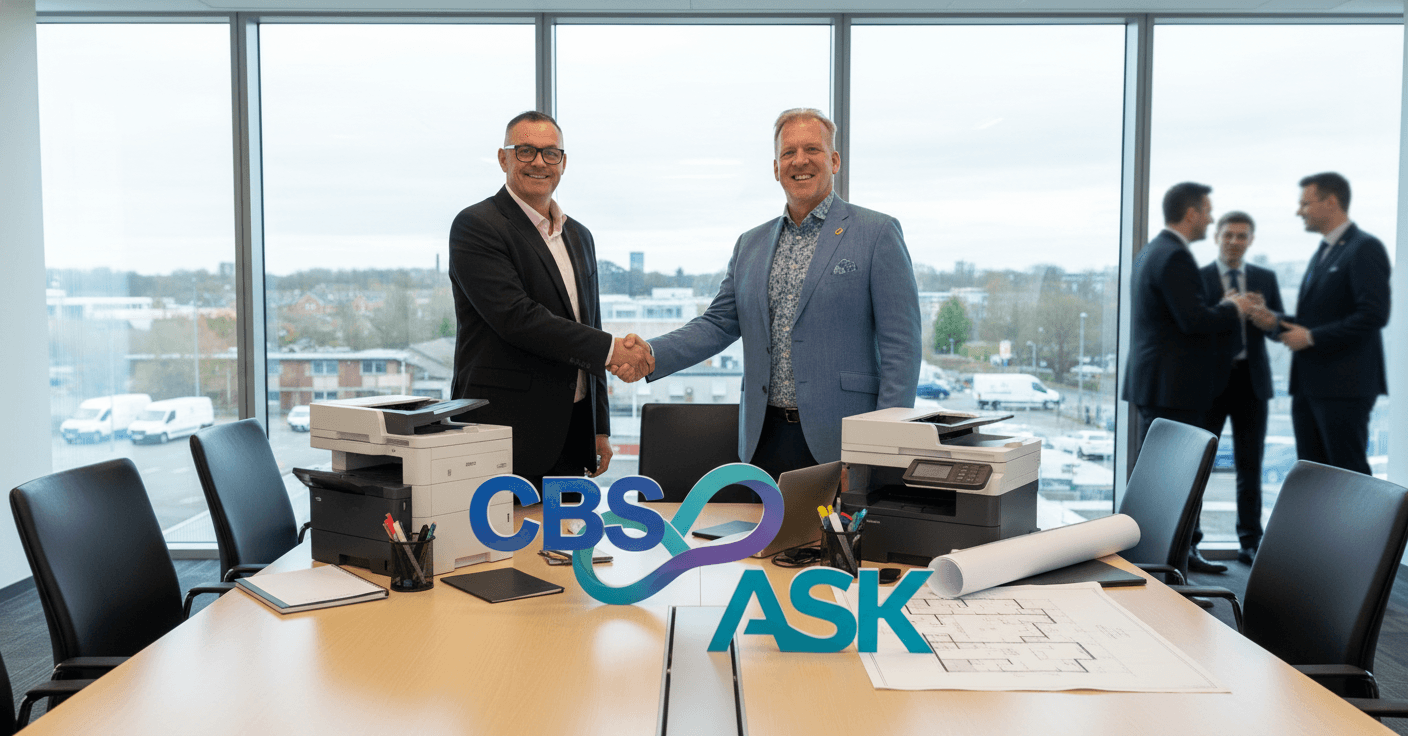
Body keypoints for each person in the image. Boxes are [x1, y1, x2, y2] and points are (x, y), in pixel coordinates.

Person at [615, 108, 921, 480]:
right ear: (776, 168)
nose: (800, 161)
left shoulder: (877, 233)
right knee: (768, 540)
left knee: (843, 539)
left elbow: (902, 351)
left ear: (835, 160)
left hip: (843, 441)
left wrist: (878, 450)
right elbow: (717, 324)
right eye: (788, 153)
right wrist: (650, 353)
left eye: (812, 149)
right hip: (764, 439)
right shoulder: (751, 244)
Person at [447, 110, 653, 490]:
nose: (539, 162)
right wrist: (613, 351)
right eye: (525, 151)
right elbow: (517, 318)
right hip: (503, 434)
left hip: (572, 433)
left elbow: (590, 327)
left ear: (563, 162)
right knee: (500, 548)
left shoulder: (579, 236)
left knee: (567, 546)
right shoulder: (476, 226)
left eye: (550, 153)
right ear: (503, 158)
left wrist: (599, 426)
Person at [1122, 182, 1254, 574]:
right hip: (1174, 387)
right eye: (1209, 211)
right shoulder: (1175, 257)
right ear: (1192, 212)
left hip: (1158, 383)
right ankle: (1167, 572)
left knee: (1161, 482)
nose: (1212, 218)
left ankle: (1165, 565)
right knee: (1174, 484)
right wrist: (1233, 307)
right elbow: (1193, 320)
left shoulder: (1152, 252)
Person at [1280, 172, 1390, 475]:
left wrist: (1312, 337)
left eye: (1305, 203)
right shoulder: (1324, 251)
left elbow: (1373, 315)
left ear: (1330, 202)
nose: (1298, 211)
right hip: (1309, 385)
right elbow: (1316, 319)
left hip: (1344, 386)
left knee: (1347, 477)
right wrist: (1272, 320)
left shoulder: (1364, 247)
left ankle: (1364, 526)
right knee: (1313, 475)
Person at [1200, 211, 1283, 565]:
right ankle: (1190, 541)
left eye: (1242, 236)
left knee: (1251, 466)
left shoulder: (1265, 278)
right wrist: (1227, 310)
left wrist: (1268, 319)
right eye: (1229, 234)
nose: (1235, 241)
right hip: (1211, 382)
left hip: (1252, 381)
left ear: (1251, 240)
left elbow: (1279, 328)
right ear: (1216, 236)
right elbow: (1194, 327)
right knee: (1200, 465)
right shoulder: (1199, 278)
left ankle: (1251, 541)